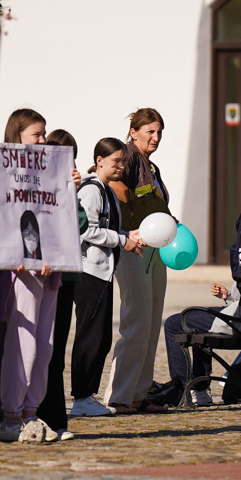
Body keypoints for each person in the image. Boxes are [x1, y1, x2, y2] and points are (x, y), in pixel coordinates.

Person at [0, 108, 63, 443]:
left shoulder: (50, 172)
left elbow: (57, 218)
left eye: (44, 133)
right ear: (17, 136)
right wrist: (18, 255)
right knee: (24, 345)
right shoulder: (6, 174)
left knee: (45, 346)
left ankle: (30, 413)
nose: (43, 139)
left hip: (49, 271)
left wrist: (70, 187)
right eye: (36, 134)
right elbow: (3, 218)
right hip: (22, 271)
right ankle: (11, 415)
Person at [70, 138, 144, 417]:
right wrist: (120, 240)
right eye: (116, 161)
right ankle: (81, 398)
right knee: (90, 336)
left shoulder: (107, 190)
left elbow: (109, 228)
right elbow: (85, 229)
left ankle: (86, 396)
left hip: (102, 271)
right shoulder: (91, 190)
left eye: (123, 161)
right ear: (99, 160)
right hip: (89, 271)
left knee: (100, 337)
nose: (121, 166)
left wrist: (128, 237)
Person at [104, 108, 170, 414]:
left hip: (157, 249)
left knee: (152, 322)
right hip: (134, 249)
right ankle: (119, 395)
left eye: (159, 132)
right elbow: (113, 186)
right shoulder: (128, 156)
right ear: (134, 132)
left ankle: (138, 394)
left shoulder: (150, 165)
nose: (155, 138)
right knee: (137, 321)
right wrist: (138, 209)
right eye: (150, 132)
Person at [37, 128, 81, 441]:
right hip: (37, 275)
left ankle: (56, 418)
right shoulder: (35, 184)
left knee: (57, 350)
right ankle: (33, 414)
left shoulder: (72, 188)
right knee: (36, 349)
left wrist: (71, 193)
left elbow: (81, 223)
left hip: (65, 276)